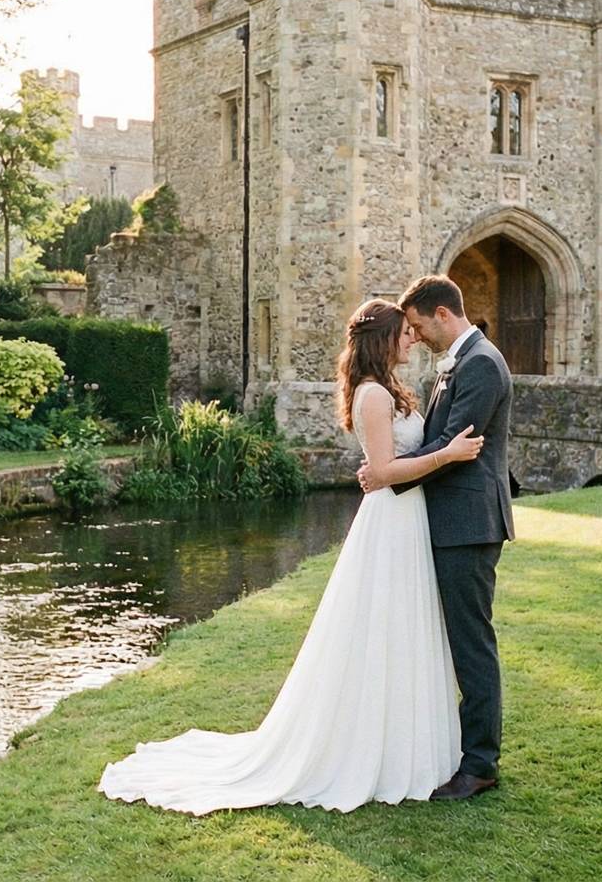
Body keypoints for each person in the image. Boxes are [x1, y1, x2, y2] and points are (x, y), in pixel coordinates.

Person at [98, 299, 485, 814]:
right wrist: (448, 455)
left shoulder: (392, 390)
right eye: (404, 333)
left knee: (405, 630)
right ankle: (371, 750)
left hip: (410, 522)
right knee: (379, 631)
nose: (413, 339)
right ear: (383, 340)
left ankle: (412, 743)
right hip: (390, 523)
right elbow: (385, 472)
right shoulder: (372, 395)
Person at [361, 274, 514, 801]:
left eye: (420, 326)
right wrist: (387, 470)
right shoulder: (458, 363)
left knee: (472, 645)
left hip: (468, 523)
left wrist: (387, 474)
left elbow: (455, 445)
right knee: (448, 642)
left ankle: (480, 765)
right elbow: (438, 442)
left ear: (442, 314)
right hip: (445, 520)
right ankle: (453, 751)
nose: (418, 337)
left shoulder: (481, 365)